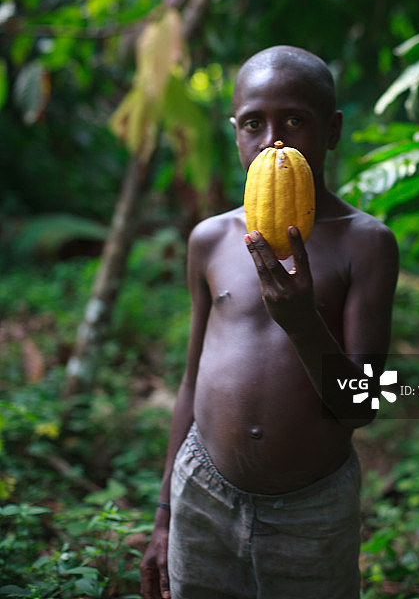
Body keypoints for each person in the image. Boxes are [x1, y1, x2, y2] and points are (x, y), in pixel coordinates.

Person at [140, 45, 399, 599]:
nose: (272, 140)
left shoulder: (366, 244)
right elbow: (191, 381)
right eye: (254, 123)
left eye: (295, 121)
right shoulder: (209, 239)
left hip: (312, 509)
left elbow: (363, 407)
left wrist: (302, 323)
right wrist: (164, 513)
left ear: (331, 131)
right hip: (203, 495)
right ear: (235, 131)